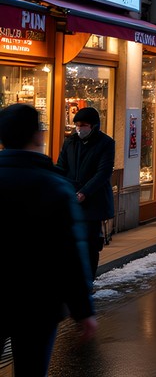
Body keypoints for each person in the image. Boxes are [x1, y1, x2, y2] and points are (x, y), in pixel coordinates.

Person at [0, 104, 96, 373]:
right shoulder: (54, 186)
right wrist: (83, 310)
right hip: (38, 301)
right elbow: (70, 253)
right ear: (38, 136)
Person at [56, 106, 115, 278]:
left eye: (83, 125)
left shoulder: (105, 143)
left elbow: (103, 172)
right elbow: (61, 167)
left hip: (92, 201)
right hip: (71, 199)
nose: (79, 128)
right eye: (77, 125)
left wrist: (84, 192)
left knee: (90, 244)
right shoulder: (70, 142)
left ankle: (87, 279)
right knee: (71, 243)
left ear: (93, 126)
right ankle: (74, 278)